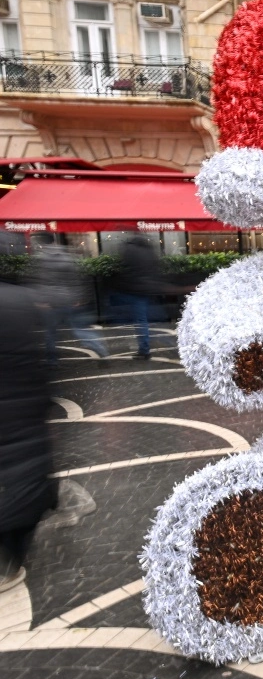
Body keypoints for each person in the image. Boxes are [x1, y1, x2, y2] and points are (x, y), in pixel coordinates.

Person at [0, 274, 55, 591]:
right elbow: (39, 352)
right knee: (28, 469)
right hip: (26, 401)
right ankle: (14, 553)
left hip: (19, 400)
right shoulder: (21, 298)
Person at [29, 235, 108, 365]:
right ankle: (101, 350)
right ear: (54, 242)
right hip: (69, 299)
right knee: (80, 329)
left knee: (51, 333)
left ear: (41, 244)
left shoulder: (41, 260)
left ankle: (52, 361)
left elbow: (41, 282)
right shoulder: (66, 257)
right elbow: (76, 279)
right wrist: (79, 298)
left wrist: (41, 300)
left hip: (51, 303)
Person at [109, 234, 163, 360]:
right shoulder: (149, 250)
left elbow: (125, 268)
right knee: (144, 319)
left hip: (134, 290)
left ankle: (144, 350)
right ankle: (150, 345)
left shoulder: (130, 250)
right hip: (148, 289)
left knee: (140, 320)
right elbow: (156, 267)